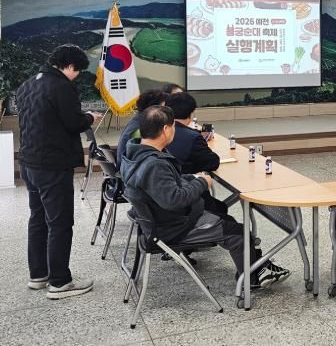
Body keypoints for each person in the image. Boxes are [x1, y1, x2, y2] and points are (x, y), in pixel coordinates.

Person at [119, 106, 289, 289]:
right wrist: (201, 183)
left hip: (160, 221)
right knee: (238, 233)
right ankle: (252, 279)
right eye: (173, 126)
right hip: (174, 227)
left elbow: (168, 182)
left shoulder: (135, 153)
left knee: (224, 216)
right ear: (166, 129)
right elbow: (174, 199)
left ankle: (256, 266)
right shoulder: (154, 164)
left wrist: (192, 178)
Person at [15, 44, 104, 299]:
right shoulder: (61, 86)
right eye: (77, 71)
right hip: (52, 165)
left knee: (38, 219)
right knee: (60, 223)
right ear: (70, 66)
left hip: (29, 162)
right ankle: (60, 282)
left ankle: (38, 275)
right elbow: (73, 123)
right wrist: (89, 117)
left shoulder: (29, 83)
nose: (76, 76)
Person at [165, 92, 228, 217]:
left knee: (221, 207)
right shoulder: (192, 137)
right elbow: (212, 162)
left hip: (164, 197)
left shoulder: (157, 131)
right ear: (190, 114)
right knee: (224, 213)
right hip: (186, 199)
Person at [116, 90, 168, 168]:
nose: (166, 111)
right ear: (153, 109)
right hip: (131, 171)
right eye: (163, 107)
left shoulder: (139, 120)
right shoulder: (140, 130)